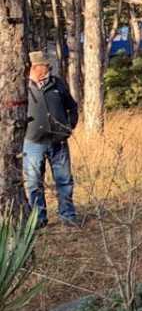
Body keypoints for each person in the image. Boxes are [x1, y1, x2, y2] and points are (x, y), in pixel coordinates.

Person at [24, 50, 79, 229]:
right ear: (35, 67)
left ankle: (68, 216)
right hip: (32, 143)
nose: (48, 68)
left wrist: (68, 127)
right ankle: (39, 219)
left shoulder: (57, 84)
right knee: (33, 182)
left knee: (64, 180)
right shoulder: (22, 87)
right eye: (45, 65)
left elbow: (72, 107)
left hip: (59, 142)